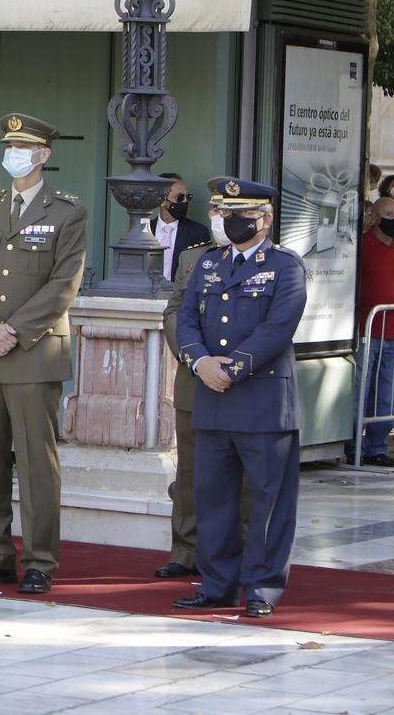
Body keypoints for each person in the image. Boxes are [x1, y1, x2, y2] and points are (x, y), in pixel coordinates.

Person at [0, 113, 87, 596]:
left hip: (34, 351)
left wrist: (15, 329)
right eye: (10, 146)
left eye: (25, 147)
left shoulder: (67, 210)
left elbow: (64, 283)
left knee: (34, 462)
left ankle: (40, 560)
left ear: (44, 155)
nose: (14, 154)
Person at [172, 179, 306, 619]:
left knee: (268, 501)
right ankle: (216, 584)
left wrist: (233, 366)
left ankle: (263, 588)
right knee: (214, 498)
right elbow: (187, 317)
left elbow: (279, 326)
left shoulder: (285, 266)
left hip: (263, 400)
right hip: (213, 397)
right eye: (226, 214)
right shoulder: (209, 263)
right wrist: (199, 362)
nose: (230, 222)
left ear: (264, 220)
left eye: (241, 215)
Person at [157, 184, 225, 578]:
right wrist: (195, 359)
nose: (218, 218)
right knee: (189, 475)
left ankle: (236, 552)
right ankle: (185, 551)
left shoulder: (275, 262)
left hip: (240, 382)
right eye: (215, 209)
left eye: (225, 211)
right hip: (195, 379)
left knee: (241, 478)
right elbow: (175, 311)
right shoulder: (193, 259)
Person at [357, 195, 394, 466]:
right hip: (366, 331)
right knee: (359, 389)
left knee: (386, 394)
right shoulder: (361, 245)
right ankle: (351, 444)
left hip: (392, 333)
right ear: (375, 218)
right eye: (389, 215)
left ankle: (376, 448)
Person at [155, 172, 211, 284]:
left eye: (188, 197)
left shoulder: (198, 232)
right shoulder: (145, 229)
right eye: (180, 197)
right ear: (162, 200)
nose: (185, 202)